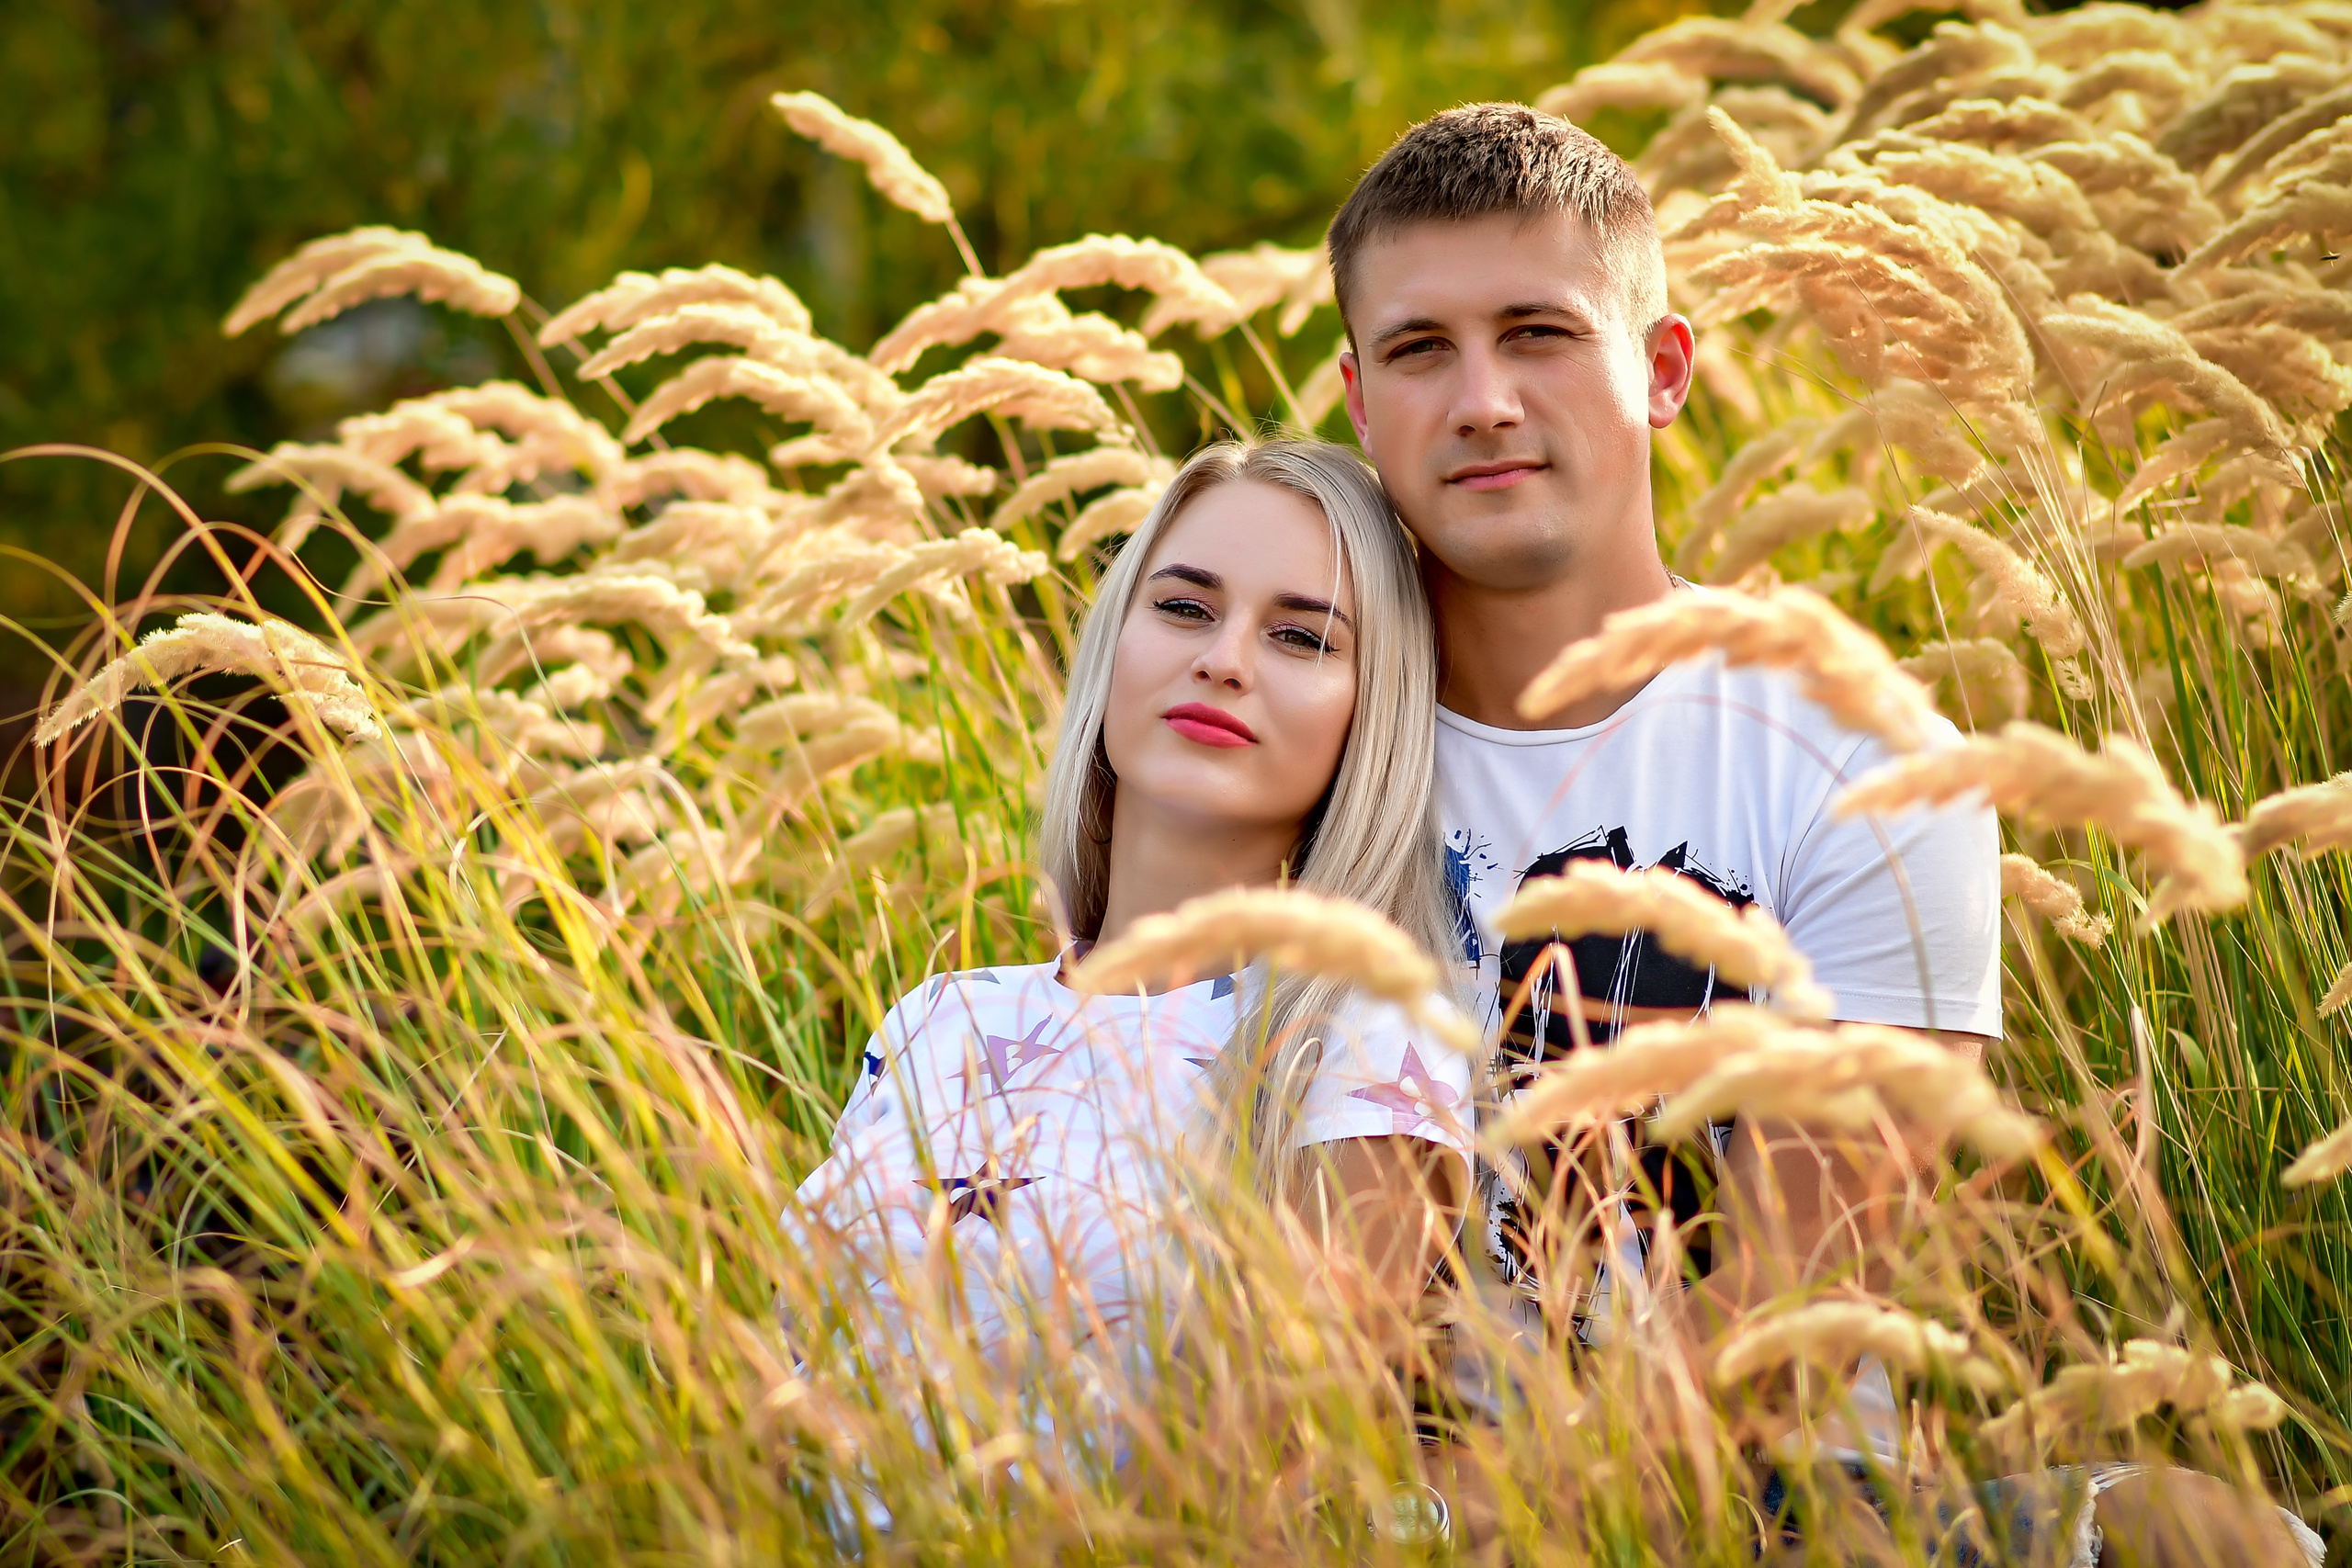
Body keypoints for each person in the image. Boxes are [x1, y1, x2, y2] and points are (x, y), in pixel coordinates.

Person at [1326, 101, 2322, 1564]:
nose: (1482, 399)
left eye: (1539, 333)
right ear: (1360, 403)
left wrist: (1492, 1523)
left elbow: (1793, 1310)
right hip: (1373, 1498)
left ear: (1664, 369)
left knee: (2216, 1533)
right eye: (1422, 349)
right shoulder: (1294, 734)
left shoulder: (1859, 752)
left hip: (1775, 1501)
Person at [787, 440, 1474, 1487]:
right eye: (1185, 608)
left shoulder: (1353, 1037)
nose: (1226, 659)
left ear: (1369, 714)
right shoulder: (939, 1016)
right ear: (1115, 642)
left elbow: (1260, 1481)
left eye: (1301, 635)